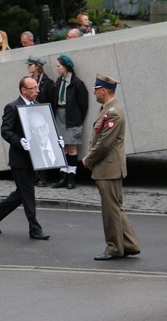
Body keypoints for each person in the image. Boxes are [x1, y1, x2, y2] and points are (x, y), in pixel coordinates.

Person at [82, 73, 140, 260]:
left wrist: (88, 160)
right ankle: (129, 244)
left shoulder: (113, 112)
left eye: (96, 90)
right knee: (115, 208)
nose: (94, 93)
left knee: (110, 211)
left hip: (108, 168)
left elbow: (104, 143)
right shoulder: (106, 109)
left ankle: (114, 248)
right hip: (107, 167)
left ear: (104, 91)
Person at [0, 76, 50, 240]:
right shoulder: (12, 107)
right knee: (28, 193)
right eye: (33, 88)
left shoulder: (37, 105)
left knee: (22, 192)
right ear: (23, 90)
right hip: (20, 160)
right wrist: (19, 141)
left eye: (37, 87)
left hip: (35, 158)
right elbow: (5, 130)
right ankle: (35, 229)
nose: (37, 90)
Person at [51, 55, 88, 189]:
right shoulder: (59, 82)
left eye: (58, 66)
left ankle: (71, 177)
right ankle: (63, 176)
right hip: (59, 115)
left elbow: (83, 105)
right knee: (63, 147)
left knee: (72, 148)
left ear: (66, 67)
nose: (56, 68)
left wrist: (77, 119)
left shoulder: (77, 83)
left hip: (72, 117)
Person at [26, 54, 54, 187]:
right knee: (34, 146)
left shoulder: (47, 82)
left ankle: (44, 175)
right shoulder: (29, 81)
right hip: (31, 117)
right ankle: (36, 174)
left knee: (44, 145)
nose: (28, 67)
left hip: (43, 119)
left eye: (30, 65)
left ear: (37, 66)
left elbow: (51, 101)